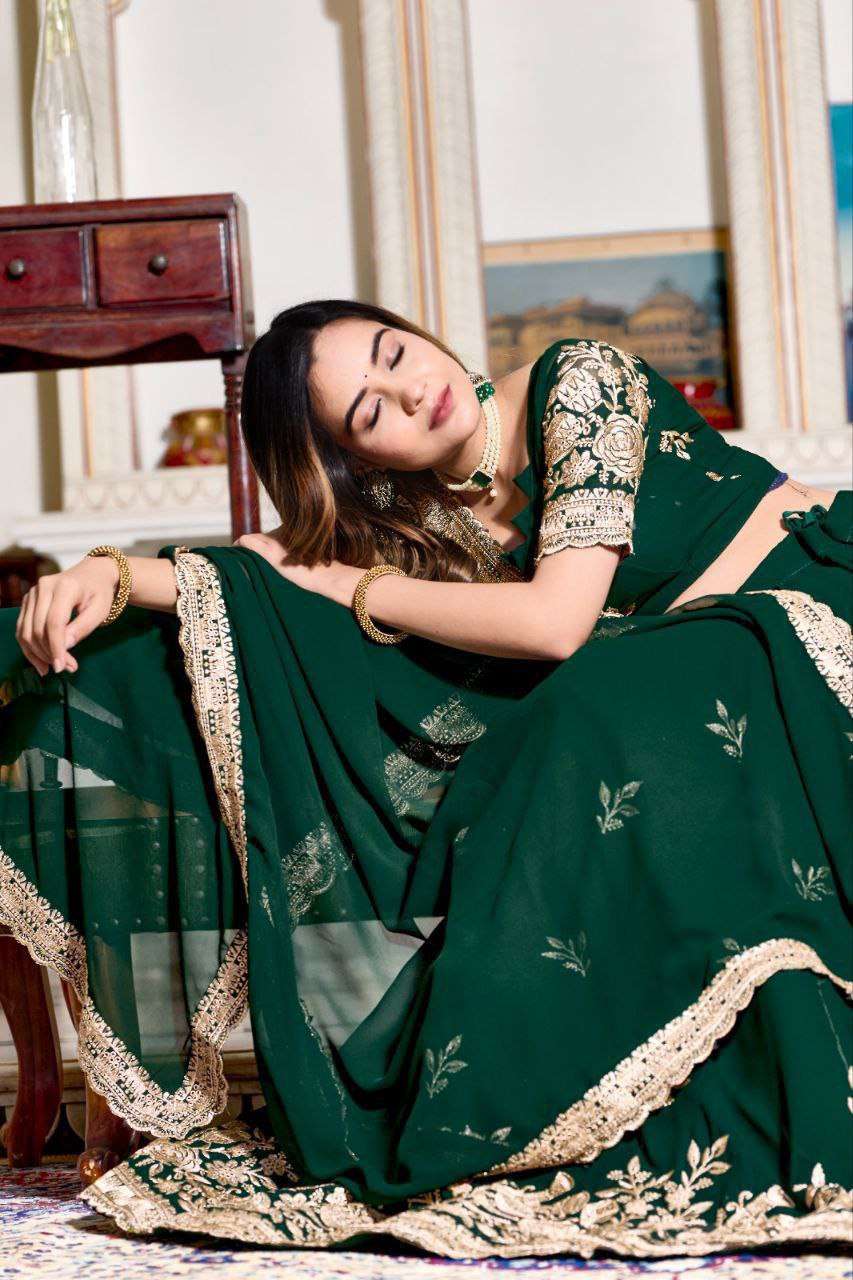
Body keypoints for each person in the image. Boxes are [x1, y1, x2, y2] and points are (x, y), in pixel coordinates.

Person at [0, 299, 850, 1260]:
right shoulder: (416, 513)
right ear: (355, 458)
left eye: (392, 352)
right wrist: (112, 573)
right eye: (370, 412)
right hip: (692, 687)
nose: (410, 391)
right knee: (549, 733)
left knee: (589, 703)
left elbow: (556, 625)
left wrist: (362, 590)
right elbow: (263, 567)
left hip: (816, 617)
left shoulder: (578, 378)